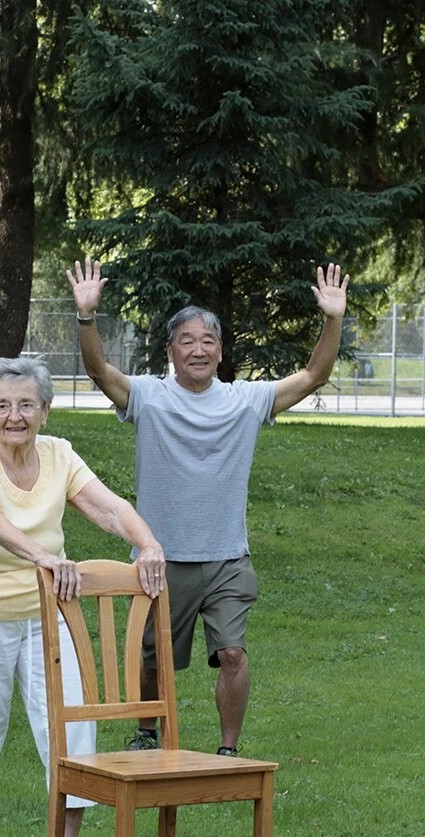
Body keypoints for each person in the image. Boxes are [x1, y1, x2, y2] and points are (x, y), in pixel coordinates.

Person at [68, 259, 346, 756]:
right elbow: (98, 370)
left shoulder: (245, 400)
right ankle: (147, 735)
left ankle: (228, 751)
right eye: (187, 341)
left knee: (233, 653)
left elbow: (312, 376)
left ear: (220, 352)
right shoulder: (149, 398)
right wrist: (87, 317)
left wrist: (332, 318)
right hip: (161, 560)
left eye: (208, 341)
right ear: (171, 350)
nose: (198, 349)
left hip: (226, 560)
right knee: (153, 662)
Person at [0, 357, 167, 837]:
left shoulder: (59, 456)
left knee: (72, 725)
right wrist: (46, 557)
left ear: (46, 412)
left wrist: (147, 545)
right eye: (3, 405)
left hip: (46, 615)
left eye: (26, 405)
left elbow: (108, 509)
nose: (15, 416)